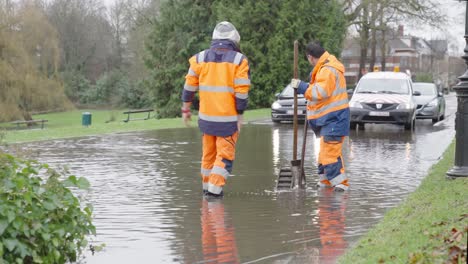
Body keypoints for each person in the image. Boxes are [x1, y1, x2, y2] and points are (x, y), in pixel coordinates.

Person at [181, 21, 251, 197]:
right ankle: (214, 193)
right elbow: (241, 92)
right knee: (224, 157)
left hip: (206, 121)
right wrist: (240, 114)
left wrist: (186, 109)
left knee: (208, 156)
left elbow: (189, 87)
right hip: (227, 121)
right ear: (235, 40)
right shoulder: (239, 60)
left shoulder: (199, 58)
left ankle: (206, 191)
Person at [291, 41, 350, 191]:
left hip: (334, 119)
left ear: (310, 57)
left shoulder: (327, 69)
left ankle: (340, 185)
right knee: (324, 153)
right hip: (331, 119)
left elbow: (320, 93)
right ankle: (325, 183)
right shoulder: (325, 67)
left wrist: (302, 87)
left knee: (329, 153)